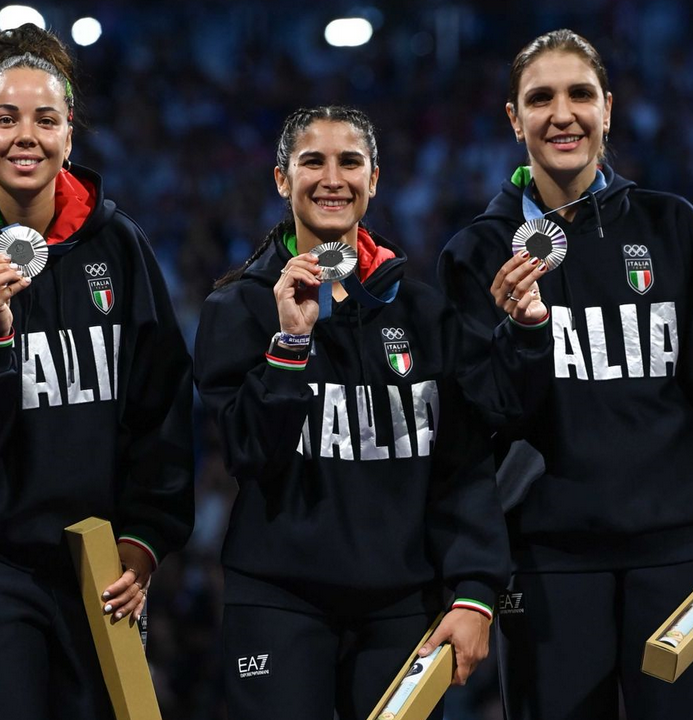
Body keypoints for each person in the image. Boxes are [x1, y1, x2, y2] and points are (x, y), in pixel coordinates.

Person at [439, 28, 693, 720]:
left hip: (682, 554)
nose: (562, 114)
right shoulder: (476, 256)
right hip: (546, 563)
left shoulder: (673, 227)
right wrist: (526, 333)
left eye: (579, 94)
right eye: (539, 99)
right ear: (515, 121)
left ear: (608, 107)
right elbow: (475, 425)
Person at [193, 106, 548, 720]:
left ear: (374, 178)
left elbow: (462, 464)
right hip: (279, 600)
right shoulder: (239, 309)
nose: (333, 178)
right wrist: (289, 346)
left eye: (350, 162)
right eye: (313, 162)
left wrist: (474, 591)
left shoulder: (423, 313)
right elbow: (250, 454)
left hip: (401, 607)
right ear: (282, 180)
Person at [0, 24, 193, 719]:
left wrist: (144, 540)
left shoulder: (119, 247)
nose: (25, 135)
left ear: (69, 136)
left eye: (45, 119)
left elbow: (163, 405)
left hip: (96, 566)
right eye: (5, 119)